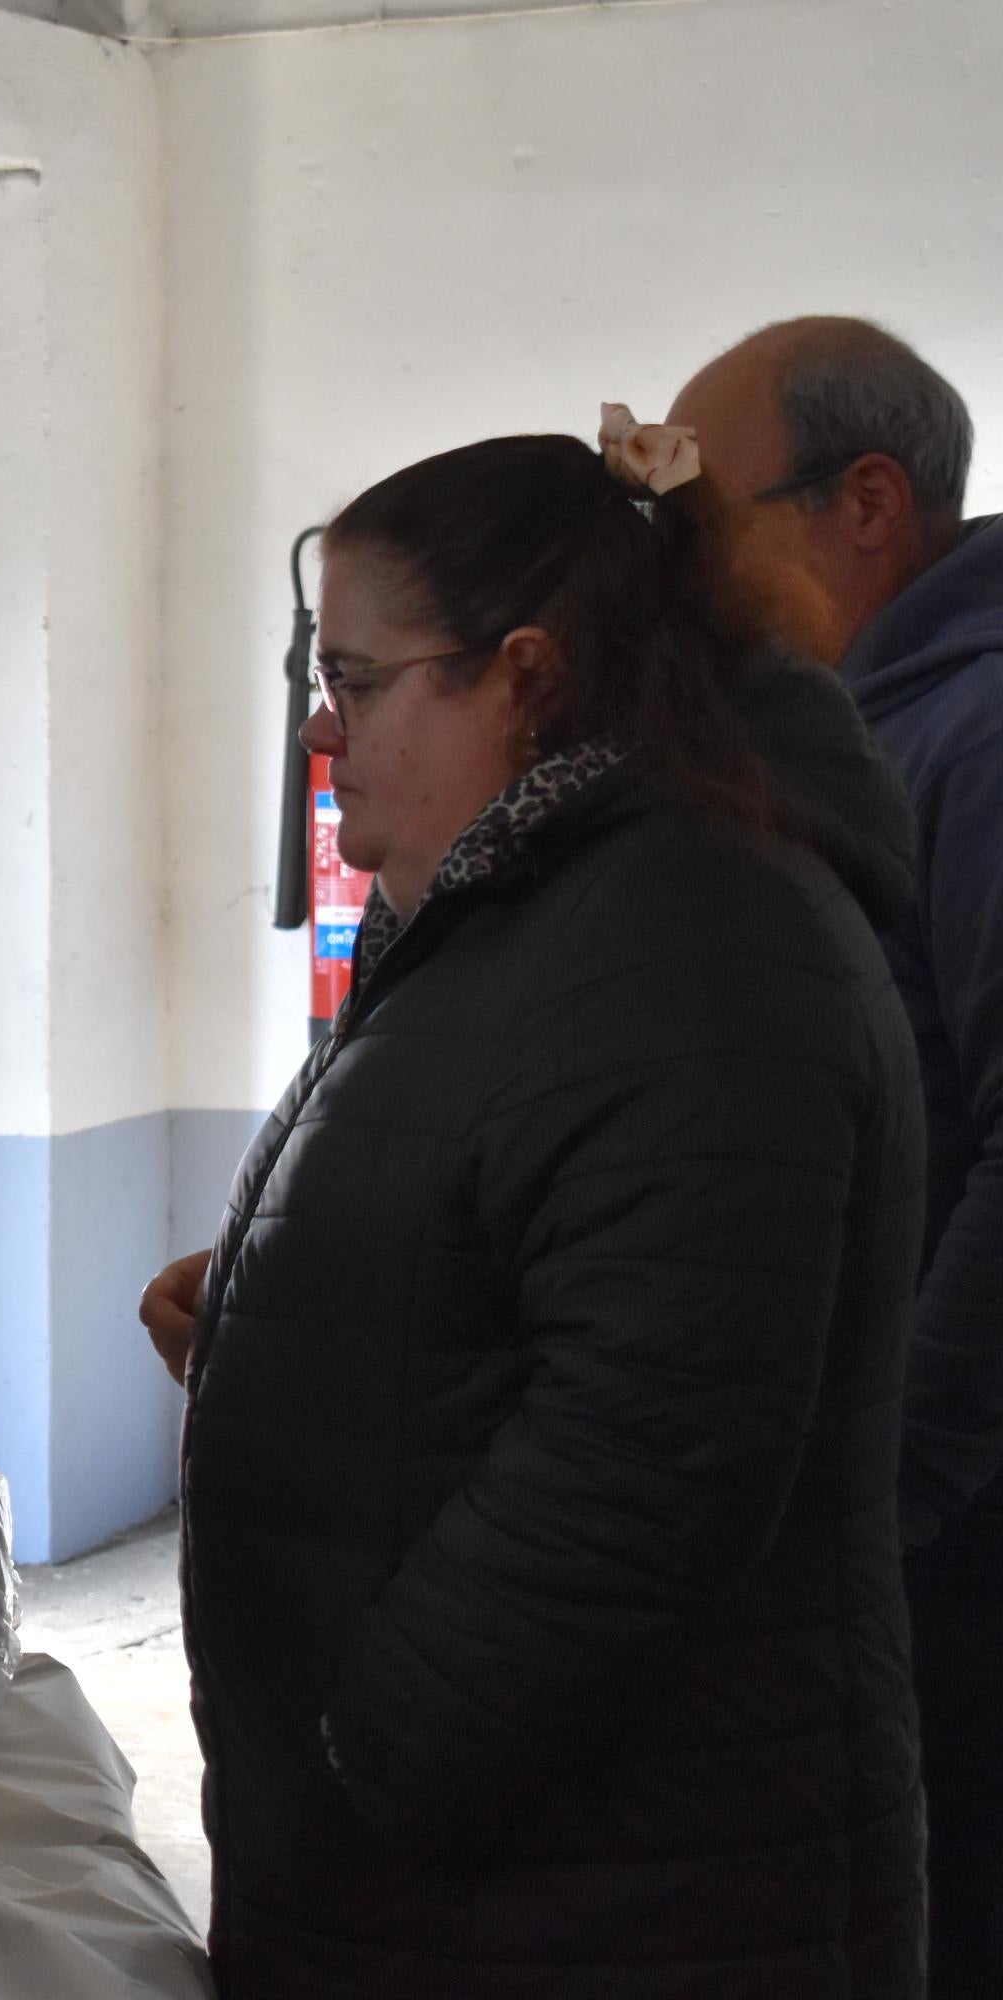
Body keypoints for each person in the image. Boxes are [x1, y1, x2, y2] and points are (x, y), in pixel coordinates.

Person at [142, 423, 926, 1996]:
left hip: (596, 1891)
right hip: (477, 1876)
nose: (321, 728)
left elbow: (653, 1451)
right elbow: (531, 1250)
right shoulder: (527, 907)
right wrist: (283, 1312)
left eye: (358, 682)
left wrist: (376, 1757)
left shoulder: (700, 947)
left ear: (522, 673)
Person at [668, 317, 1003, 1991]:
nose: (679, 579)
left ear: (868, 500)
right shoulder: (861, 735)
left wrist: (897, 1488)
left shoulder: (973, 739)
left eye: (709, 524)